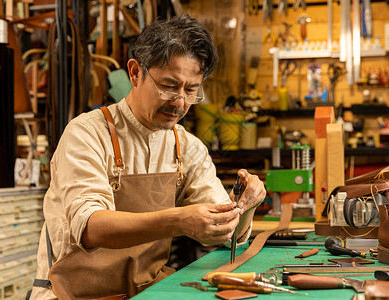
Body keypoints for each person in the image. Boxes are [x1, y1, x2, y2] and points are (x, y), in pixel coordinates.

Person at [31, 14, 265, 300]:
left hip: (146, 291)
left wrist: (245, 207)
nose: (179, 102)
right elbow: (91, 227)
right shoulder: (86, 134)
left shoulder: (186, 147)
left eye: (191, 90)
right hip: (72, 294)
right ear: (135, 72)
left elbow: (222, 231)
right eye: (168, 85)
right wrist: (178, 220)